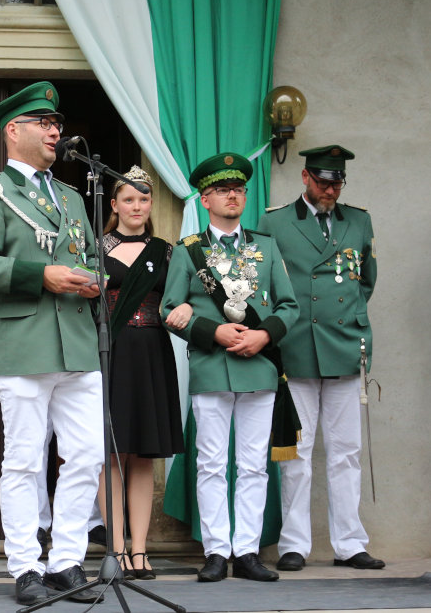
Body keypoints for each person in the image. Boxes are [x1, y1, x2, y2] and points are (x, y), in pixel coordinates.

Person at [0, 81, 105, 605]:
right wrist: (42, 274)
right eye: (44, 123)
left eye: (57, 123)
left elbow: (91, 259)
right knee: (24, 462)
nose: (55, 130)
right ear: (12, 131)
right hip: (24, 346)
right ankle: (26, 567)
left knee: (86, 456)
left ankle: (67, 562)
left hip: (79, 347)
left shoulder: (68, 195)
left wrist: (92, 278)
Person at [161, 153, 299, 583]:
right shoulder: (188, 252)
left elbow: (288, 305)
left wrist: (263, 336)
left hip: (258, 367)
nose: (233, 196)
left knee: (255, 465)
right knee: (212, 464)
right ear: (205, 199)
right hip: (212, 367)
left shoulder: (266, 246)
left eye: (238, 189)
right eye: (223, 190)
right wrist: (213, 333)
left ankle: (249, 551)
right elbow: (170, 307)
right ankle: (217, 550)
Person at [257, 145, 384, 571]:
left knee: (346, 450)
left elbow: (365, 280)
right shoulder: (275, 222)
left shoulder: (359, 220)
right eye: (323, 181)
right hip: (296, 347)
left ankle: (349, 542)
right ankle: (294, 544)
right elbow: (265, 283)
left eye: (337, 182)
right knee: (296, 449)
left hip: (345, 344)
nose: (331, 189)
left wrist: (344, 316)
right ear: (306, 178)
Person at [97, 165, 188, 580]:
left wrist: (187, 308)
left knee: (144, 456)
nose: (137, 206)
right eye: (129, 199)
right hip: (112, 354)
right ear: (114, 205)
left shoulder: (168, 251)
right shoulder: (95, 247)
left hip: (152, 351)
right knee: (113, 454)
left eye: (144, 199)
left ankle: (139, 549)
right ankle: (114, 551)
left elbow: (181, 300)